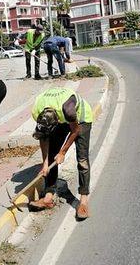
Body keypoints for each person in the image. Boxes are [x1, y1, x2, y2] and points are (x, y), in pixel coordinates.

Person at [29, 86, 93, 220]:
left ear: (57, 122)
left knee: (82, 160)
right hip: (60, 118)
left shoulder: (68, 111)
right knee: (52, 155)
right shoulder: (37, 110)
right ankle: (48, 196)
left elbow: (75, 130)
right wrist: (45, 163)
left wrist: (63, 152)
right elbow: (43, 137)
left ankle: (84, 200)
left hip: (81, 120)